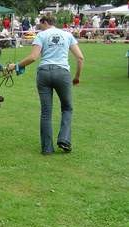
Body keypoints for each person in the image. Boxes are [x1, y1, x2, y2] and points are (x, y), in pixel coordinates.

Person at [8, 15, 84, 155]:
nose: (38, 26)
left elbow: (33, 57)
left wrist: (16, 66)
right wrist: (77, 77)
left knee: (46, 113)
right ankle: (64, 140)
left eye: (40, 24)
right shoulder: (67, 35)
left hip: (44, 74)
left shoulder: (41, 35)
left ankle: (47, 149)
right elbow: (80, 58)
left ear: (45, 22)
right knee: (67, 108)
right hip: (62, 73)